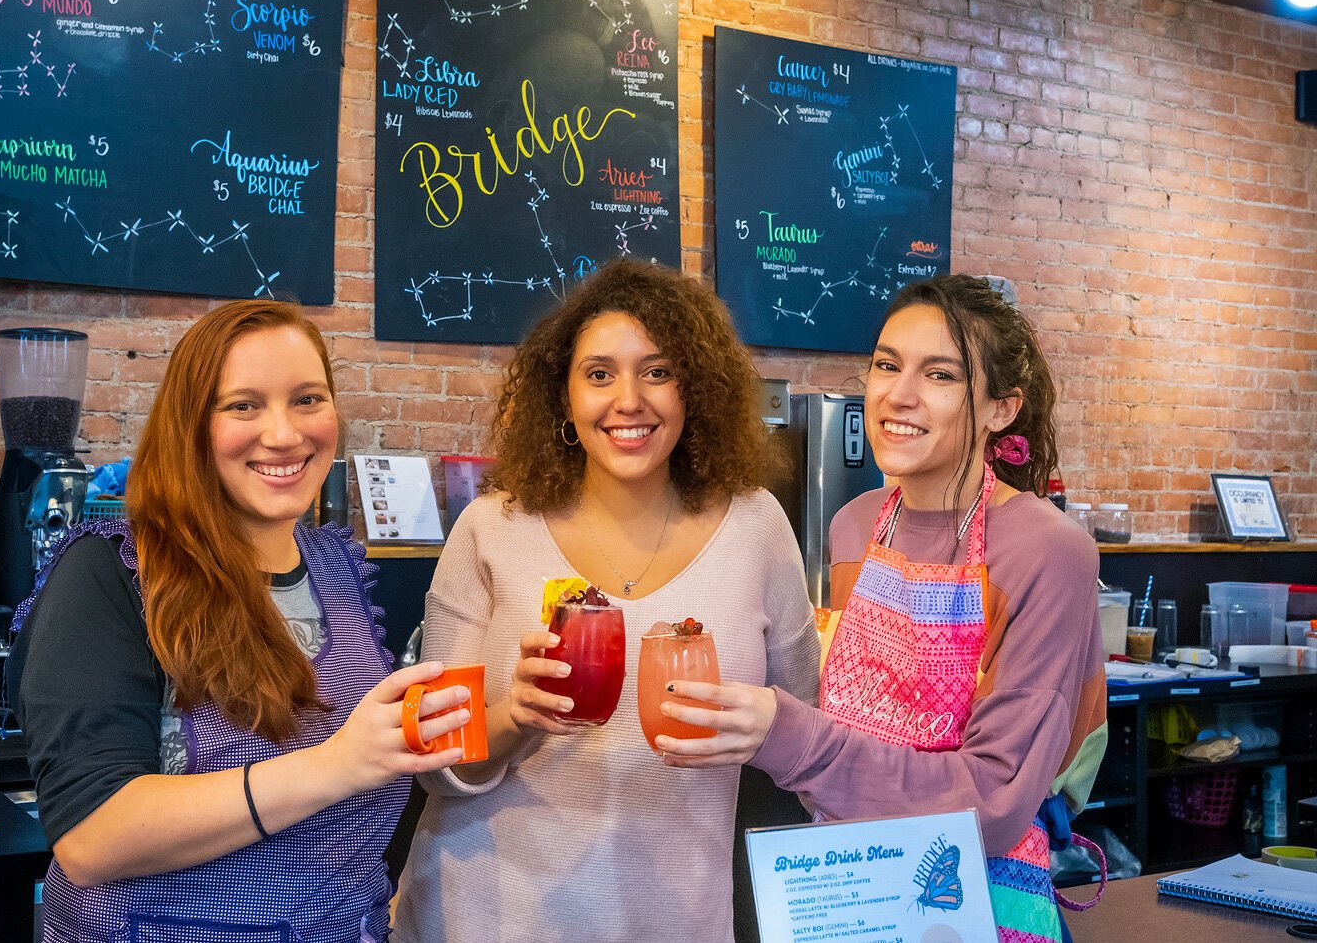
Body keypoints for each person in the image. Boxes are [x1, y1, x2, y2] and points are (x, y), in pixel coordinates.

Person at [7, 300, 471, 942]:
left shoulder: (337, 570)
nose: (283, 434)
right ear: (191, 425)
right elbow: (91, 834)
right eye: (243, 405)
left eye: (308, 399)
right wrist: (338, 764)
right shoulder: (113, 571)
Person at [662, 274, 1106, 942]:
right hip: (846, 893)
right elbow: (849, 727)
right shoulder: (853, 526)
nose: (898, 394)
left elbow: (994, 802)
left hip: (971, 904)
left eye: (941, 375)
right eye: (887, 364)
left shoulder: (1049, 549)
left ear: (1002, 408)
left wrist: (791, 735)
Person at [393, 260, 821, 943]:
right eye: (599, 374)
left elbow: (808, 741)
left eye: (658, 371)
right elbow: (432, 756)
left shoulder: (757, 526)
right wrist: (513, 716)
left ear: (695, 390)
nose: (630, 399)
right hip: (487, 916)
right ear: (564, 396)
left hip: (676, 918)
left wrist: (766, 727)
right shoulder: (492, 528)